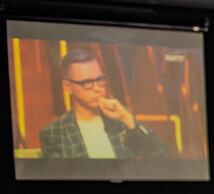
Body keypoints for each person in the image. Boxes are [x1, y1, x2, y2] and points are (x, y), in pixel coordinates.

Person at [38, 49, 168, 159]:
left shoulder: (119, 121)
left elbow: (162, 156)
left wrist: (127, 118)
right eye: (88, 82)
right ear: (68, 86)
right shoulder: (54, 134)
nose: (97, 88)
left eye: (100, 80)